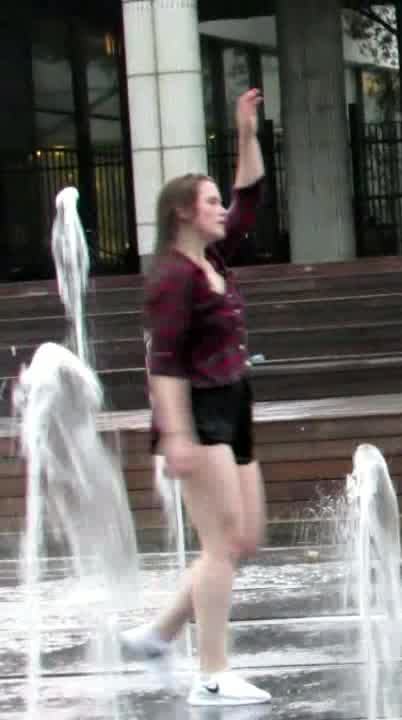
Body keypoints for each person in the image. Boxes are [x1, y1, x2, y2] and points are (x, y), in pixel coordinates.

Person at [118, 88, 272, 705]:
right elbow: (163, 360)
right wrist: (177, 433)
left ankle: (156, 635)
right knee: (220, 544)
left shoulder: (214, 259)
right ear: (184, 212)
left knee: (243, 538)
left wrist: (246, 134)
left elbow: (250, 199)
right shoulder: (171, 278)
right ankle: (212, 674)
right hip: (200, 412)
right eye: (210, 202)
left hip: (235, 403)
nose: (221, 210)